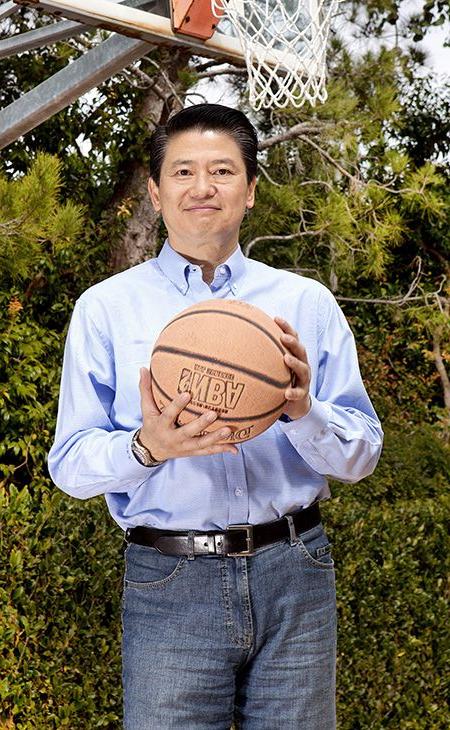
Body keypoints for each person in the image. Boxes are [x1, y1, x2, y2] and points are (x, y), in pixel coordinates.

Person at [48, 103, 383, 730]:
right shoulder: (105, 310)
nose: (203, 188)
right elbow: (68, 463)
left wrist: (302, 410)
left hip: (295, 570)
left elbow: (363, 453)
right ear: (155, 191)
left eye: (223, 171)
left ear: (251, 190)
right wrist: (147, 447)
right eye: (182, 172)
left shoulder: (303, 303)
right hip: (170, 576)